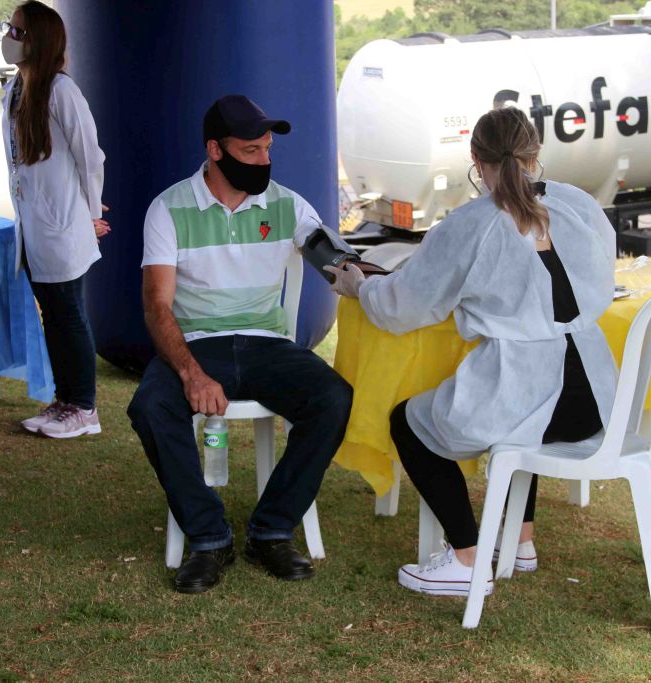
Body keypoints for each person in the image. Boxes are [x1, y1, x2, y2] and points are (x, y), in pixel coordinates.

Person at [327, 107, 619, 596]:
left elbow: (402, 308)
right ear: (535, 154)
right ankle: (519, 542)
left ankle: (466, 559)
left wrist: (359, 287)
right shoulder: (580, 205)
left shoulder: (470, 225)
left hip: (530, 392)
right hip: (594, 396)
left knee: (411, 423)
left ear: (475, 160)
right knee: (516, 422)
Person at [128, 94, 353, 594]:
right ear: (215, 149)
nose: (264, 160)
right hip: (198, 345)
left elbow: (335, 261)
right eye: (251, 150)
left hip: (266, 343)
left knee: (333, 397)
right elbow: (156, 306)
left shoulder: (288, 204)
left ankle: (272, 529)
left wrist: (367, 277)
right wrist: (190, 372)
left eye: (268, 149)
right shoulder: (168, 208)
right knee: (150, 405)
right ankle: (209, 538)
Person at [1, 1, 110, 439]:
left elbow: (91, 158)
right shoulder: (16, 89)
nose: (9, 36)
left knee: (69, 314)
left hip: (62, 226)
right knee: (54, 314)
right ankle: (65, 401)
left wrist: (89, 213)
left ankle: (84, 407)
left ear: (38, 40)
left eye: (17, 30)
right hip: (35, 230)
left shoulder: (62, 91)